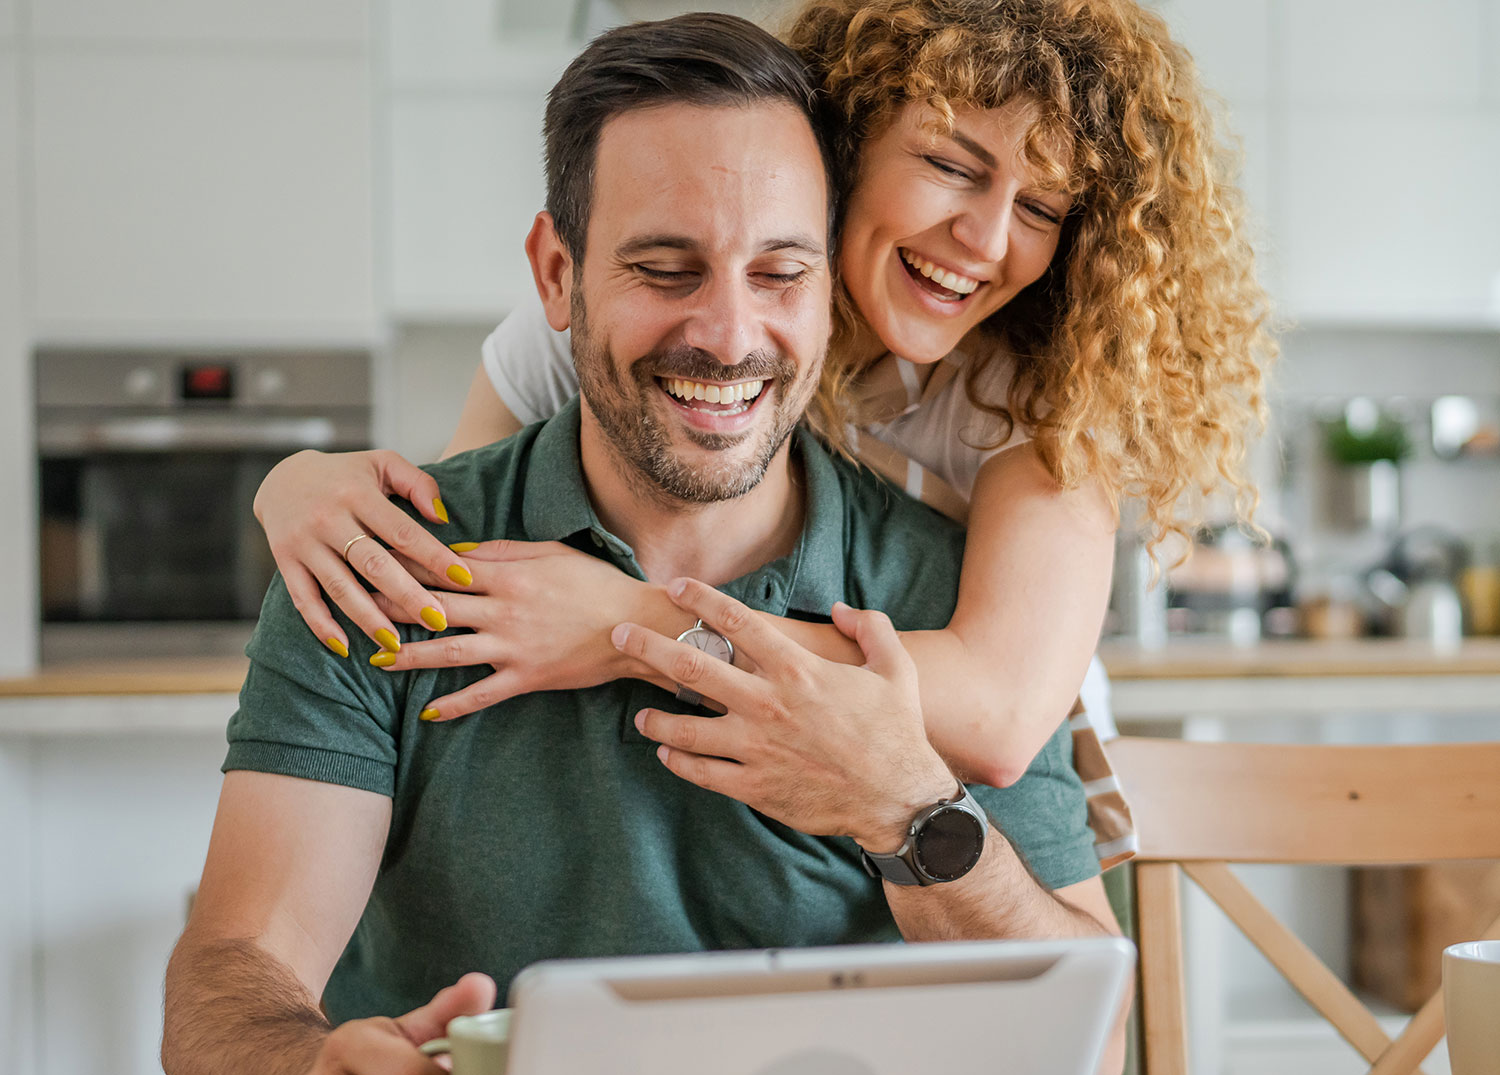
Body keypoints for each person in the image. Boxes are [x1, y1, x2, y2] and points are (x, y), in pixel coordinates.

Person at [162, 13, 1128, 1075]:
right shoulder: (388, 561)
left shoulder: (944, 588)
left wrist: (905, 802)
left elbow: (1092, 1050)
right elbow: (228, 977)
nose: (726, 335)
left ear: (829, 283)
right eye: (664, 268)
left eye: (779, 272)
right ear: (558, 273)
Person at [251, 0, 1272, 823]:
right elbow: (479, 553)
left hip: (980, 814)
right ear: (847, 141)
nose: (986, 238)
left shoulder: (1040, 400)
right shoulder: (643, 312)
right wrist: (297, 482)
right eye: (952, 166)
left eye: (1044, 208)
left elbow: (1001, 713)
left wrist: (628, 623)